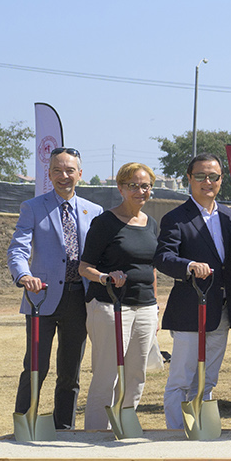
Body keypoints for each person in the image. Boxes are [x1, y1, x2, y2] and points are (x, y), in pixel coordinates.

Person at [8, 147, 102, 431]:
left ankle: (64, 430)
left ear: (80, 174)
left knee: (70, 373)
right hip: (41, 297)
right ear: (49, 174)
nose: (64, 176)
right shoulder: (33, 208)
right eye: (58, 170)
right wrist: (24, 275)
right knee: (36, 368)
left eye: (70, 170)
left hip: (79, 300)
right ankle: (25, 426)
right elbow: (17, 249)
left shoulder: (94, 211)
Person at [156, 153, 231, 430]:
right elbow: (163, 258)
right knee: (181, 380)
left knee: (207, 381)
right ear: (189, 179)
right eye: (201, 176)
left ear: (221, 180)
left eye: (214, 177)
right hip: (189, 311)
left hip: (222, 312)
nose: (208, 182)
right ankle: (174, 435)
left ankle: (199, 432)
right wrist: (190, 265)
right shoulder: (176, 218)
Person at [79, 162, 161, 430]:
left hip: (145, 307)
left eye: (145, 185)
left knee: (136, 376)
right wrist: (104, 277)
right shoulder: (105, 222)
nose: (140, 191)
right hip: (109, 306)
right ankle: (94, 434)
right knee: (108, 375)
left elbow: (152, 269)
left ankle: (123, 428)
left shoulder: (151, 224)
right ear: (121, 188)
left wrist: (156, 306)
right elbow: (84, 266)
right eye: (133, 186)